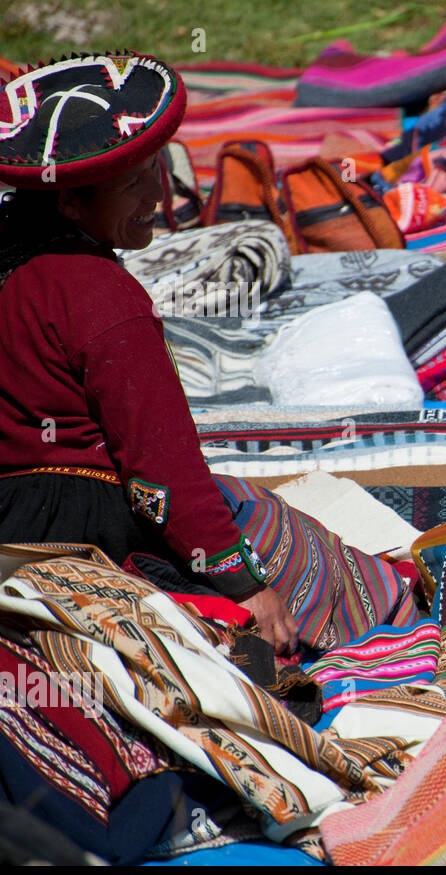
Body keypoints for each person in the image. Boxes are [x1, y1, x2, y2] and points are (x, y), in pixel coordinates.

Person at [0, 52, 300, 652]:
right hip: (72, 528)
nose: (156, 195)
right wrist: (241, 584)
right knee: (263, 602)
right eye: (131, 184)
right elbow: (160, 468)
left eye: (155, 169)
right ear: (70, 204)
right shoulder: (105, 298)